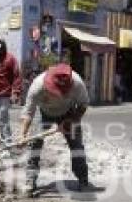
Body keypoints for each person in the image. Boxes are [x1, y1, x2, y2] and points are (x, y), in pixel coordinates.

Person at [19, 63, 90, 194]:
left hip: (69, 113)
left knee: (77, 146)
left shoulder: (77, 83)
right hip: (44, 113)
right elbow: (28, 112)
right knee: (34, 144)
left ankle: (83, 179)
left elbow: (83, 104)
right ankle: (30, 180)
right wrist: (23, 135)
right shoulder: (38, 85)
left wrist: (72, 120)